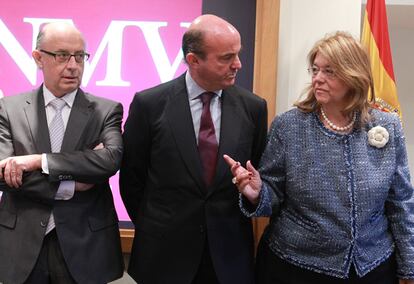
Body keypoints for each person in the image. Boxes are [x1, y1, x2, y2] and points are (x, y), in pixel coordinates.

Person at [224, 31, 414, 284]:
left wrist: (409, 267)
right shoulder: (289, 126)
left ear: (353, 74)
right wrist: (258, 193)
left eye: (329, 71)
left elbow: (401, 200)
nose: (318, 79)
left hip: (373, 268)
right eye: (315, 70)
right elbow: (274, 194)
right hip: (296, 267)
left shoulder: (386, 126)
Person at [120, 14, 268, 284]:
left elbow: (258, 176)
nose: (238, 64)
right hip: (162, 257)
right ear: (193, 60)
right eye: (226, 57)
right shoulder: (149, 104)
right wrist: (158, 228)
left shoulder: (254, 108)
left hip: (228, 258)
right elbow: (132, 180)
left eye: (238, 54)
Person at [0, 22, 124, 283]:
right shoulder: (8, 109)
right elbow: (4, 173)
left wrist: (39, 161)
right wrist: (71, 185)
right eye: (62, 55)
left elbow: (108, 161)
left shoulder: (106, 110)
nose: (73, 65)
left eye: (80, 56)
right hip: (21, 243)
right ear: (38, 58)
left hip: (86, 245)